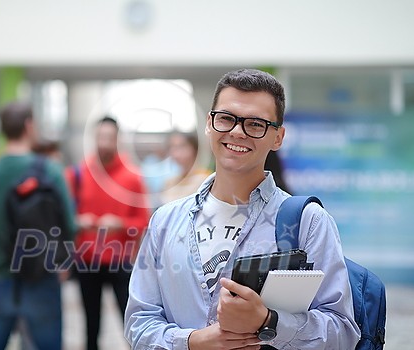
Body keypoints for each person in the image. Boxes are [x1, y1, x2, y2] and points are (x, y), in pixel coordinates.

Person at [124, 69, 360, 349]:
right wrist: (194, 341)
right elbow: (139, 323)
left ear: (278, 138)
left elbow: (343, 333)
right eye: (226, 119)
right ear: (209, 124)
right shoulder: (165, 219)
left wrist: (268, 321)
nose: (237, 131)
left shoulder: (309, 222)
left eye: (256, 124)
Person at [0, 101, 76, 350]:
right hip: (42, 280)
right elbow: (69, 225)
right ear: (29, 126)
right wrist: (63, 263)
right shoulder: (51, 171)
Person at [66, 116, 150, 350]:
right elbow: (64, 217)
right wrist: (78, 221)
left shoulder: (132, 177)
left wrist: (120, 223)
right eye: (100, 137)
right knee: (90, 323)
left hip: (120, 260)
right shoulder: (79, 174)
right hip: (87, 259)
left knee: (129, 320)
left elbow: (143, 221)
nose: (104, 143)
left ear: (117, 140)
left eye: (109, 138)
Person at [160, 130, 211, 205]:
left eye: (181, 146)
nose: (175, 152)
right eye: (172, 147)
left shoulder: (206, 180)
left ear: (194, 149)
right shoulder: (170, 182)